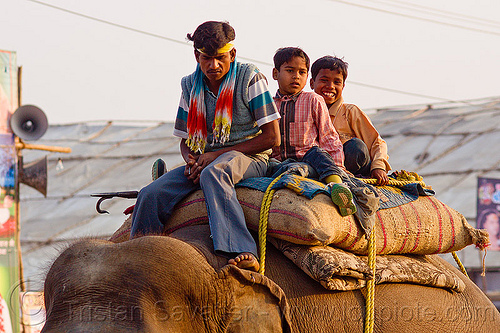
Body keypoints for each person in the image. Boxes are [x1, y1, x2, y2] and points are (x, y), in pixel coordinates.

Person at [131, 21, 281, 272]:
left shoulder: (250, 77)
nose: (214, 65)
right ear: (196, 56)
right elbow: (185, 140)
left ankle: (242, 250)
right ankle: (139, 256)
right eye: (206, 58)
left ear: (232, 54)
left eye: (220, 58)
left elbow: (272, 138)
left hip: (251, 158)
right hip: (207, 159)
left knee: (215, 172)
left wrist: (213, 156)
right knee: (150, 194)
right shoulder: (189, 84)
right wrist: (192, 162)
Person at [271, 47, 356, 216]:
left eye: (302, 72)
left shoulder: (313, 100)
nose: (296, 76)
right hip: (278, 160)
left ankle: (337, 186)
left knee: (320, 154)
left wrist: (339, 166)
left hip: (309, 157)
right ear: (275, 74)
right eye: (290, 71)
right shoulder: (268, 103)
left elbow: (328, 136)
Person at [310, 56, 391, 186]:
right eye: (324, 80)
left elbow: (377, 142)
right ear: (312, 83)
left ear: (343, 85)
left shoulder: (350, 112)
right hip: (319, 165)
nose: (330, 86)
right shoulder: (304, 111)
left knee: (355, 147)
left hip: (351, 166)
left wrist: (378, 166)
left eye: (337, 82)